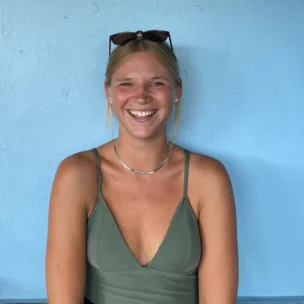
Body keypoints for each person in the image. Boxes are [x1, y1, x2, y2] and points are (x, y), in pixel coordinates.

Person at [45, 30, 239, 304]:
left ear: (177, 90)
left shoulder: (207, 179)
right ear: (108, 92)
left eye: (156, 83)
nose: (141, 97)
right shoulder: (77, 175)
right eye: (126, 84)